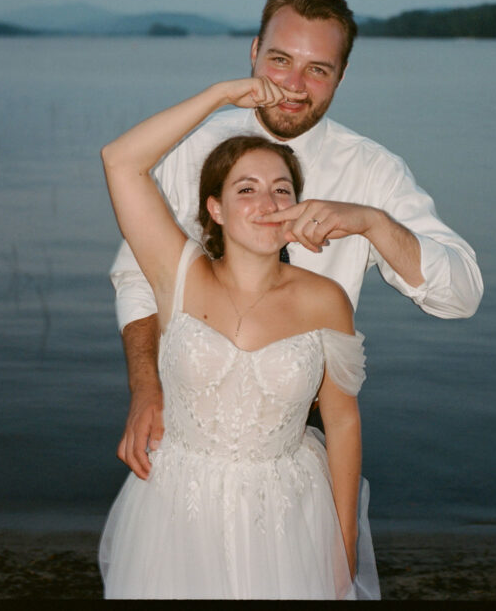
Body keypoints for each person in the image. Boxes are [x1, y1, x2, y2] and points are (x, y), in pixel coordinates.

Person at [110, 0, 483, 481]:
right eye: (280, 60)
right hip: (187, 423)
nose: (293, 85)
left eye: (318, 70)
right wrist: (145, 389)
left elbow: (461, 295)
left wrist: (373, 223)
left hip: (301, 432)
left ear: (341, 76)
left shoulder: (373, 172)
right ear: (253, 52)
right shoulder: (192, 147)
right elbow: (138, 278)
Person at [98, 78, 376, 598]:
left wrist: (343, 545)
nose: (266, 201)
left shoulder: (326, 300)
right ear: (216, 210)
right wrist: (223, 95)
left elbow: (342, 421)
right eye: (245, 188)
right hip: (179, 508)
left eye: (281, 189)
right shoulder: (178, 274)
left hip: (287, 513)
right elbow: (120, 160)